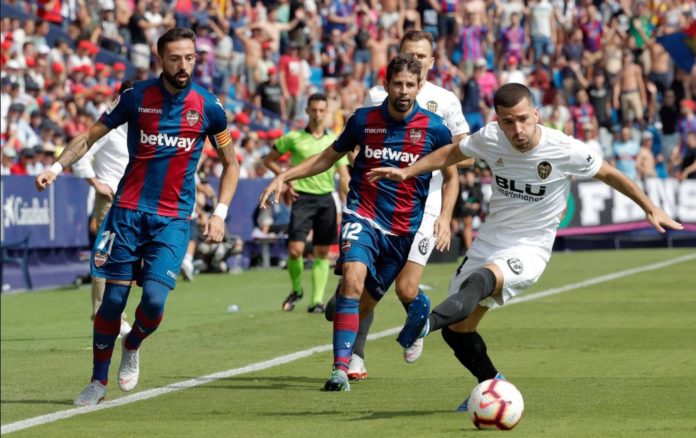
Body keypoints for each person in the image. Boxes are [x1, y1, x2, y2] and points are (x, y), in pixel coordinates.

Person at [367, 83, 682, 409]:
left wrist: (650, 208)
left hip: (530, 248)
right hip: (489, 241)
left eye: (523, 119)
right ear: (498, 121)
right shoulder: (490, 137)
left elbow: (609, 174)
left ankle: (425, 324)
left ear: (536, 114)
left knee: (478, 283)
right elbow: (452, 153)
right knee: (457, 331)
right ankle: (495, 385)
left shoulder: (563, 148)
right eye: (508, 122)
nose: (517, 129)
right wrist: (407, 172)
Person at [34, 28, 241, 406]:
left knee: (155, 302)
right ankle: (97, 381)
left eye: (190, 57)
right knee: (112, 302)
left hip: (173, 219)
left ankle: (133, 343)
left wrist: (220, 212)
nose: (183, 65)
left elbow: (231, 163)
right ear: (159, 59)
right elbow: (89, 136)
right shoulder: (136, 97)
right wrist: (56, 167)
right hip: (127, 214)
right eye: (175, 58)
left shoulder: (209, 106)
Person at [259, 55, 453, 391]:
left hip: (402, 229)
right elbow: (328, 157)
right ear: (386, 85)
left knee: (364, 303)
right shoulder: (363, 120)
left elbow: (451, 175)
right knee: (352, 278)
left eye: (410, 84)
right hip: (362, 214)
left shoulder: (435, 128)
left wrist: (446, 217)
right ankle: (339, 370)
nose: (403, 90)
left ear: (420, 86)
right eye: (397, 84)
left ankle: (397, 307)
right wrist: (284, 176)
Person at [327, 30, 469, 381]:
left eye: (421, 56)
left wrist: (443, 210)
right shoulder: (379, 95)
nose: (414, 60)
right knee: (358, 284)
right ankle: (354, 357)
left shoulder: (445, 102)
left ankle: (417, 319)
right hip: (374, 202)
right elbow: (358, 142)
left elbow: (462, 157)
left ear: (431, 62)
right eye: (409, 53)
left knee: (406, 288)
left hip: (424, 204)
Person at [262, 93, 350, 313]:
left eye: (321, 110)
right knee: (295, 250)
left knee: (322, 252)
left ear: (326, 112)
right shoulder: (293, 137)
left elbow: (343, 174)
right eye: (314, 110)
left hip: (326, 198)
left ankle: (316, 301)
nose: (317, 114)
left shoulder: (335, 141)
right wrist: (285, 180)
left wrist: (347, 198)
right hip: (301, 197)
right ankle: (297, 290)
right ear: (307, 111)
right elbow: (269, 160)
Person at [71, 81, 133, 336]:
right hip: (109, 199)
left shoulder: (138, 126)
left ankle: (115, 314)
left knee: (124, 258)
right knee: (104, 255)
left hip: (131, 201)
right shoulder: (108, 125)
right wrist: (95, 182)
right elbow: (82, 151)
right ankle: (104, 315)